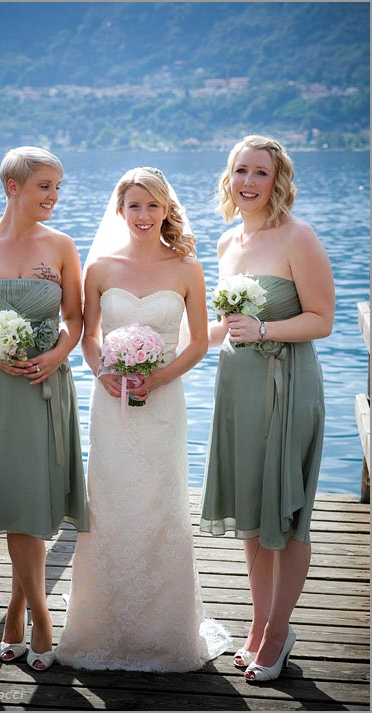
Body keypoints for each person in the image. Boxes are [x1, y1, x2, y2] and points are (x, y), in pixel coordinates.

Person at [55, 166, 231, 672]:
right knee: (107, 503)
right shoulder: (102, 268)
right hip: (110, 402)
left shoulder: (186, 268)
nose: (144, 215)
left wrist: (158, 379)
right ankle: (99, 624)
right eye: (135, 205)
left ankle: (164, 630)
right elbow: (88, 336)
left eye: (153, 205)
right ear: (120, 210)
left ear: (166, 209)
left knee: (161, 504)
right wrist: (104, 371)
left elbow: (198, 341)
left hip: (164, 403)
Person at [0, 146, 89, 671]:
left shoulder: (64, 246)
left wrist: (55, 356)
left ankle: (21, 615)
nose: (53, 196)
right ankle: (39, 620)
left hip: (46, 385)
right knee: (16, 502)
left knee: (34, 501)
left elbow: (75, 318)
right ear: (13, 187)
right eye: (44, 186)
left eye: (57, 187)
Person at [200, 135, 335, 683]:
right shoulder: (227, 242)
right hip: (237, 390)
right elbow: (223, 329)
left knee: (288, 514)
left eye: (260, 173)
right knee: (253, 514)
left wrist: (265, 329)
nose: (249, 182)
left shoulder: (297, 237)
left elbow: (323, 319)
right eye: (240, 171)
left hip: (288, 385)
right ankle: (258, 627)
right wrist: (162, 354)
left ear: (278, 181)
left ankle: (279, 633)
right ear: (228, 178)